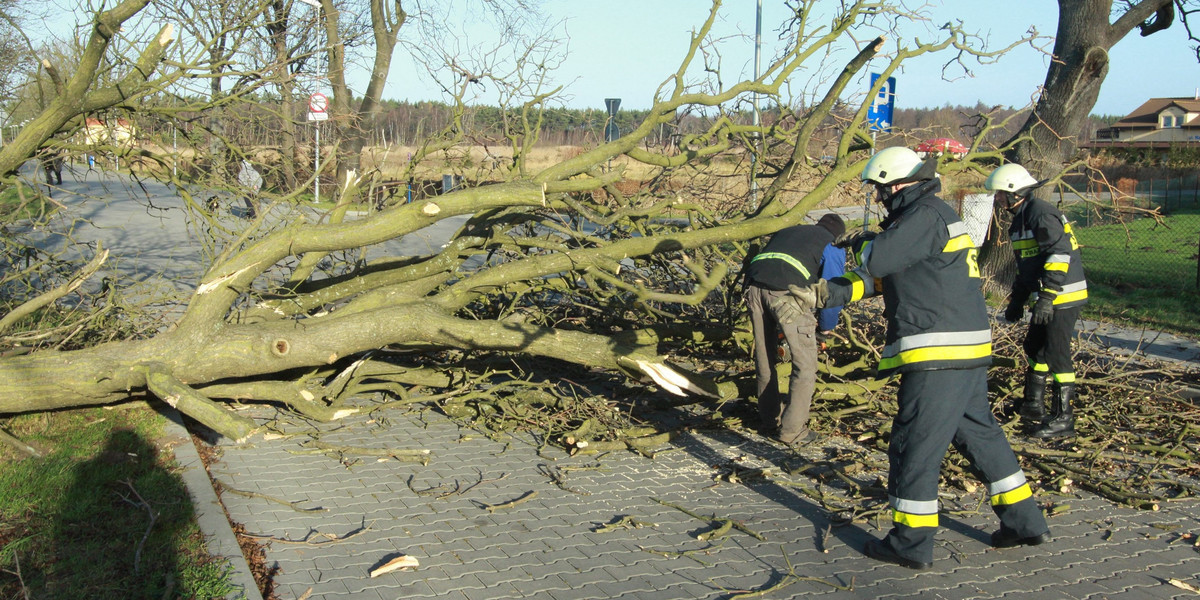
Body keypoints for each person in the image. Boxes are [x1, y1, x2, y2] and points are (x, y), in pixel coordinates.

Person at [782, 147, 1050, 570]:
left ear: (896, 184)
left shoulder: (923, 215)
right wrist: (828, 292)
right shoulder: (928, 216)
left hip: (937, 353)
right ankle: (1025, 522)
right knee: (981, 436)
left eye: (879, 189)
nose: (877, 197)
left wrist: (865, 243)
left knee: (913, 448)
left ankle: (909, 543)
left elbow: (881, 260)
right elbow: (893, 277)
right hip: (964, 350)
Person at [985, 163, 1088, 438]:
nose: (997, 199)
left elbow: (1059, 254)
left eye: (1000, 194)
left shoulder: (1040, 214)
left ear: (1016, 192)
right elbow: (1027, 266)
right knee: (1034, 348)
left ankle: (1064, 419)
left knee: (1056, 354)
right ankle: (1033, 405)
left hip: (1062, 296)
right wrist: (1017, 300)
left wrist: (1046, 297)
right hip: (1047, 297)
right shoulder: (1020, 220)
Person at [743, 213, 845, 446]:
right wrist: (826, 328)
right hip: (787, 295)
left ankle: (769, 420)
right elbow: (832, 289)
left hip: (754, 287)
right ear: (838, 234)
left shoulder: (791, 231)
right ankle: (792, 431)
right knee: (806, 365)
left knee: (765, 357)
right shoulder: (833, 244)